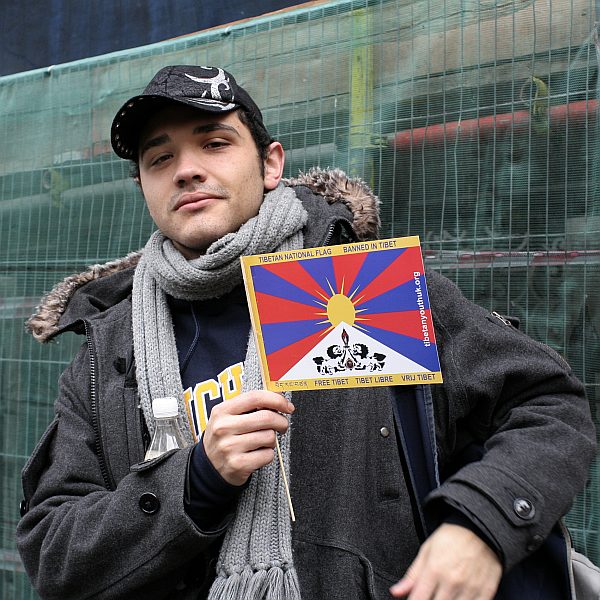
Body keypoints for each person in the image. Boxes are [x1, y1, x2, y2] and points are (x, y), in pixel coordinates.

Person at [16, 65, 596, 600]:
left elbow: (545, 405)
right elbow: (54, 551)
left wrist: (480, 523)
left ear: (270, 164)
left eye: (214, 143)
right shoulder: (112, 346)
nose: (187, 169)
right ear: (143, 185)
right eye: (159, 158)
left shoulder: (359, 284)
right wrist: (194, 480)